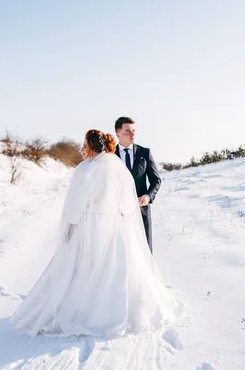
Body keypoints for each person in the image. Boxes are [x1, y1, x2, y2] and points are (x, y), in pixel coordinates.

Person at [10, 130, 182, 338]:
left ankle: (80, 311)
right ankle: (121, 310)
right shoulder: (118, 167)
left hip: (89, 225)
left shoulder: (86, 169)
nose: (82, 148)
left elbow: (75, 204)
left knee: (83, 267)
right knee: (117, 269)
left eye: (84, 144)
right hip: (115, 227)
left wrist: (69, 227)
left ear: (92, 146)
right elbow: (126, 204)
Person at [114, 117, 161, 253]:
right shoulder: (109, 156)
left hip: (141, 212)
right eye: (127, 131)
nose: (132, 134)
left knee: (144, 252)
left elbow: (156, 180)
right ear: (118, 133)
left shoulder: (145, 153)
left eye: (134, 131)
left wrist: (148, 196)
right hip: (117, 214)